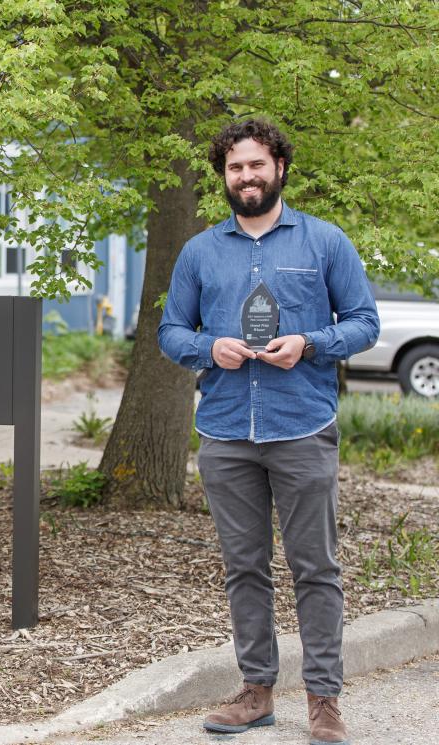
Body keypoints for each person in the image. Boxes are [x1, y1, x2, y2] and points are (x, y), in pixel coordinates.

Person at [159, 119, 379, 745]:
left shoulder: (325, 242)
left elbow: (364, 322)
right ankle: (256, 692)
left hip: (302, 425)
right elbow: (171, 332)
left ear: (280, 166)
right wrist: (209, 347)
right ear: (223, 176)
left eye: (256, 164)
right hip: (226, 431)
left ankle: (324, 701)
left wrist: (310, 343)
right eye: (235, 167)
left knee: (316, 569)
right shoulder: (200, 251)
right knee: (244, 567)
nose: (246, 176)